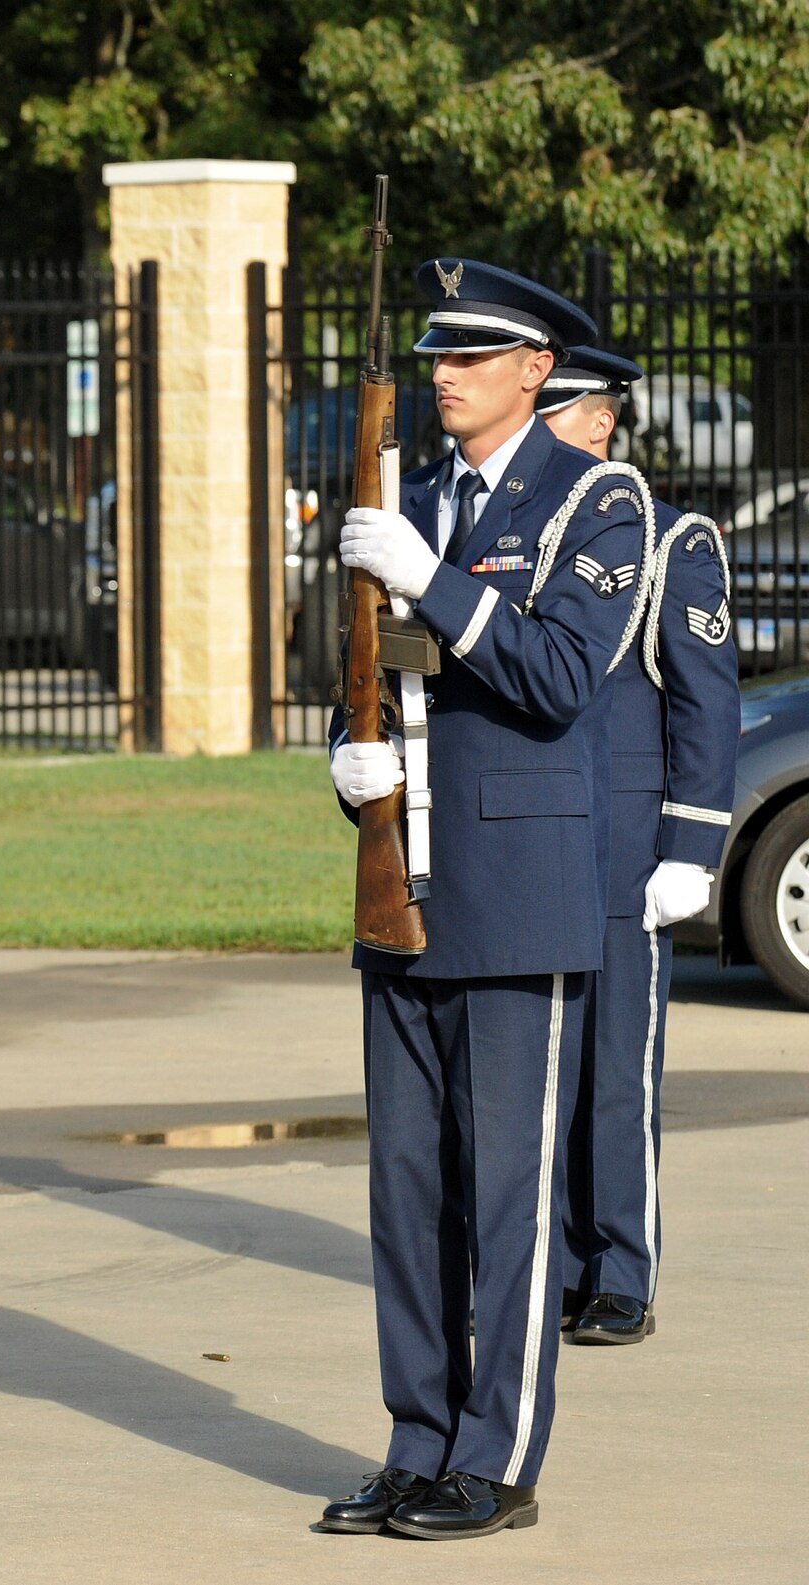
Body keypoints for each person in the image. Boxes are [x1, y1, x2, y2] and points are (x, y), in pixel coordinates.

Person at [320, 260, 647, 1539]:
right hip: (402, 881)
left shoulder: (593, 499)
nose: (441, 373)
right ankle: (416, 1441)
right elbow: (355, 672)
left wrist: (434, 580)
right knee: (407, 1195)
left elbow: (560, 673)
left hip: (516, 891)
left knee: (506, 1199)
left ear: (532, 370)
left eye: (470, 355)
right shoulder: (400, 498)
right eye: (435, 355)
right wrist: (345, 774)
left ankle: (494, 1459)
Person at [537, 347, 738, 1344]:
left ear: (598, 425)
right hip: (534, 839)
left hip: (624, 846)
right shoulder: (514, 535)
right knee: (540, 1064)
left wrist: (688, 849)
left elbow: (705, 706)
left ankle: (617, 1266)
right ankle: (552, 1259)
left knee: (614, 1067)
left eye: (550, 409)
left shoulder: (669, 543)